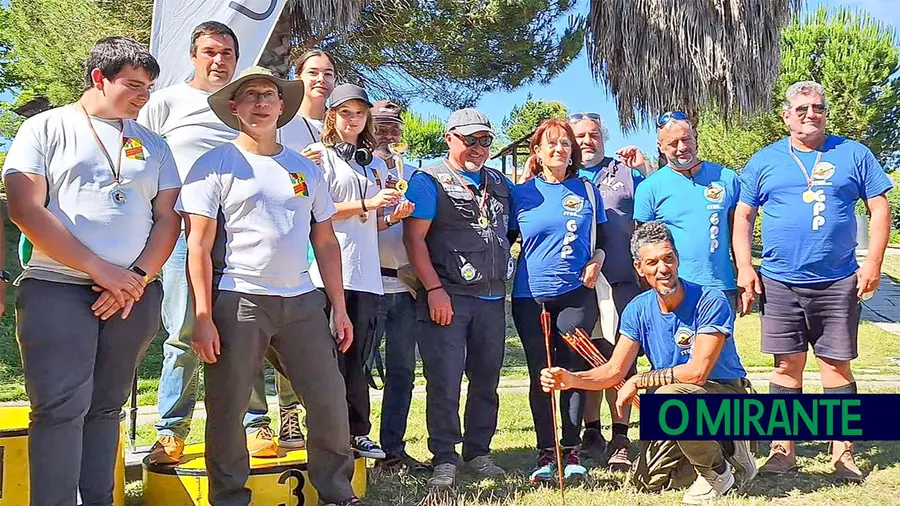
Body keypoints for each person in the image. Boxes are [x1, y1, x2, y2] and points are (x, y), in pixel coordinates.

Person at [2, 37, 181, 506]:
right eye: (133, 85)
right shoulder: (46, 127)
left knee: (107, 408)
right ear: (99, 78)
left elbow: (168, 218)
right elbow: (25, 207)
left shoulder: (154, 144)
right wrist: (101, 270)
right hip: (57, 289)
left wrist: (137, 277)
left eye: (149, 87)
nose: (144, 96)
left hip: (132, 295)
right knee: (60, 409)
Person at [177, 65, 362, 506]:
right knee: (228, 408)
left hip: (301, 300)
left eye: (269, 96)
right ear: (235, 108)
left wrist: (337, 306)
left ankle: (337, 492)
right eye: (251, 96)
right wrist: (202, 316)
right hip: (239, 298)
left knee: (330, 401)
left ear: (283, 106)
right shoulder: (214, 165)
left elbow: (326, 240)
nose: (261, 103)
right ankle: (228, 497)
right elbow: (197, 246)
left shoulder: (304, 169)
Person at [138, 20, 292, 464]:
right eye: (209, 51)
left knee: (248, 333)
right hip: (186, 235)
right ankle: (171, 430)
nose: (218, 60)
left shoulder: (244, 104)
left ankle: (255, 423)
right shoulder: (166, 102)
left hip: (245, 234)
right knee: (185, 331)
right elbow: (143, 164)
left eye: (226, 53)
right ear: (193, 55)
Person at [733, 81, 893, 482]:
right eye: (801, 108)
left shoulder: (853, 154)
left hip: (838, 280)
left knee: (836, 367)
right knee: (786, 366)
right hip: (780, 280)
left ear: (825, 112)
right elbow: (743, 216)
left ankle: (843, 454)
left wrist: (873, 262)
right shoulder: (765, 160)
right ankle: (782, 451)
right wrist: (745, 268)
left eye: (817, 107)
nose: (810, 114)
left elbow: (878, 206)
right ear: (786, 115)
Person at [541, 222, 757, 504]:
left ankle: (720, 471)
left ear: (677, 259)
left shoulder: (710, 299)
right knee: (648, 481)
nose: (663, 269)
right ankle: (723, 450)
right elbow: (613, 371)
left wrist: (639, 380)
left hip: (725, 396)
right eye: (652, 262)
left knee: (669, 398)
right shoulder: (637, 309)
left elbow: (697, 373)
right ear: (639, 269)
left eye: (668, 258)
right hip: (678, 404)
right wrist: (571, 380)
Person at [403, 108, 512, 488]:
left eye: (485, 140)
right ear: (450, 138)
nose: (478, 148)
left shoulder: (498, 181)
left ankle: (479, 452)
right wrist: (434, 289)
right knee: (445, 382)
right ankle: (445, 457)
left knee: (486, 380)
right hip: (447, 297)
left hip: (492, 299)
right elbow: (414, 240)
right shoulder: (427, 180)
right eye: (470, 140)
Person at [307, 84, 410, 460]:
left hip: (367, 275)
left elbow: (372, 223)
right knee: (327, 359)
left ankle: (357, 432)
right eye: (345, 112)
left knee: (358, 359)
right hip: (327, 273)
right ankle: (325, 433)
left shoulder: (376, 163)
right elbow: (321, 212)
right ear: (331, 116)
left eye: (360, 113)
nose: (353, 120)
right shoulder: (319, 156)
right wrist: (369, 202)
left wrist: (390, 215)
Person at [509, 119, 607, 482]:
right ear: (537, 152)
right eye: (550, 144)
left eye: (565, 144)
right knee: (542, 374)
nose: (559, 149)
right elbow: (503, 240)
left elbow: (605, 241)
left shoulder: (587, 189)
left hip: (576, 296)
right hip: (529, 297)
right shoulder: (521, 194)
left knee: (571, 372)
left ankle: (571, 448)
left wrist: (597, 261)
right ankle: (546, 451)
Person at [571, 112, 646, 469]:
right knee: (588, 360)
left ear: (604, 137)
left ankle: (620, 436)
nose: (587, 141)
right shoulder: (561, 175)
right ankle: (591, 432)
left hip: (621, 284)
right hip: (577, 289)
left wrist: (645, 169)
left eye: (593, 134)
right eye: (580, 135)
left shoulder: (625, 172)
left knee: (621, 363)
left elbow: (650, 217)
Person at [368, 100, 430, 473]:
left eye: (394, 129)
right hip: (365, 284)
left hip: (405, 288)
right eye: (381, 127)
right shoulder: (357, 170)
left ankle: (393, 449)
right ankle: (354, 448)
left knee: (403, 374)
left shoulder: (417, 177)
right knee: (356, 373)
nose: (388, 135)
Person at [634, 112, 741, 300]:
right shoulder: (649, 188)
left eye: (686, 139)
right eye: (673, 143)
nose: (682, 147)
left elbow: (739, 234)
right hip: (671, 288)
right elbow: (643, 247)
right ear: (661, 148)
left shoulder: (727, 178)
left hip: (720, 287)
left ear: (695, 138)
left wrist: (743, 274)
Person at [279, 49, 336, 161]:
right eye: (313, 73)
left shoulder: (342, 124)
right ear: (298, 78)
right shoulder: (280, 123)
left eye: (328, 74)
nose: (321, 79)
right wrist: (300, 164)